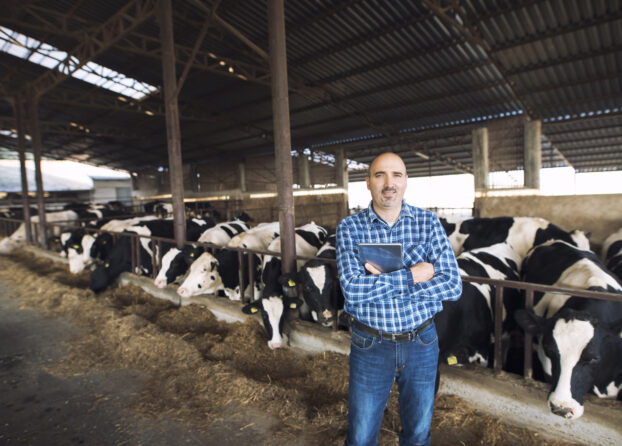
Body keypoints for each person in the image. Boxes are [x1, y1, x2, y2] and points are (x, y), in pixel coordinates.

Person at [336, 152, 462, 446]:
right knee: (361, 434)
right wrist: (414, 275)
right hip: (370, 344)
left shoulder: (428, 223)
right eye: (380, 175)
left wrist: (379, 282)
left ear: (406, 182)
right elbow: (352, 290)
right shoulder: (350, 228)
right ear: (367, 183)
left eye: (397, 175)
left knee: (418, 433)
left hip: (422, 342)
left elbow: (453, 286)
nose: (388, 182)